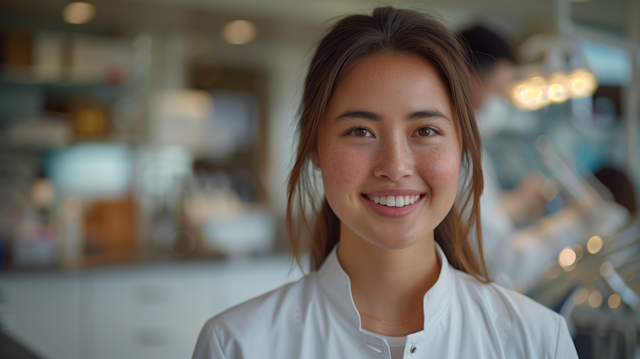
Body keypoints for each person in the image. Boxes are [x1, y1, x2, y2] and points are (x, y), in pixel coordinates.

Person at [192, 7, 578, 359]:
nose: (395, 166)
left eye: (425, 130)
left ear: (464, 147)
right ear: (313, 148)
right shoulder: (237, 345)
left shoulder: (538, 341)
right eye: (360, 131)